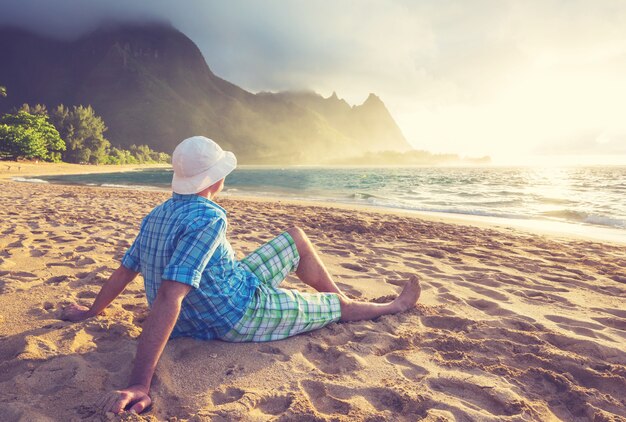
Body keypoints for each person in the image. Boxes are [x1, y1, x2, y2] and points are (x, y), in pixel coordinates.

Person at [61, 136, 421, 415]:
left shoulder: (157, 214)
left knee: (295, 237)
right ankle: (386, 306)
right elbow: (172, 293)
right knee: (329, 306)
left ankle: (340, 298)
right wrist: (140, 383)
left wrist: (94, 311)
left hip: (223, 287)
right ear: (214, 179)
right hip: (233, 312)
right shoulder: (210, 217)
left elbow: (125, 270)